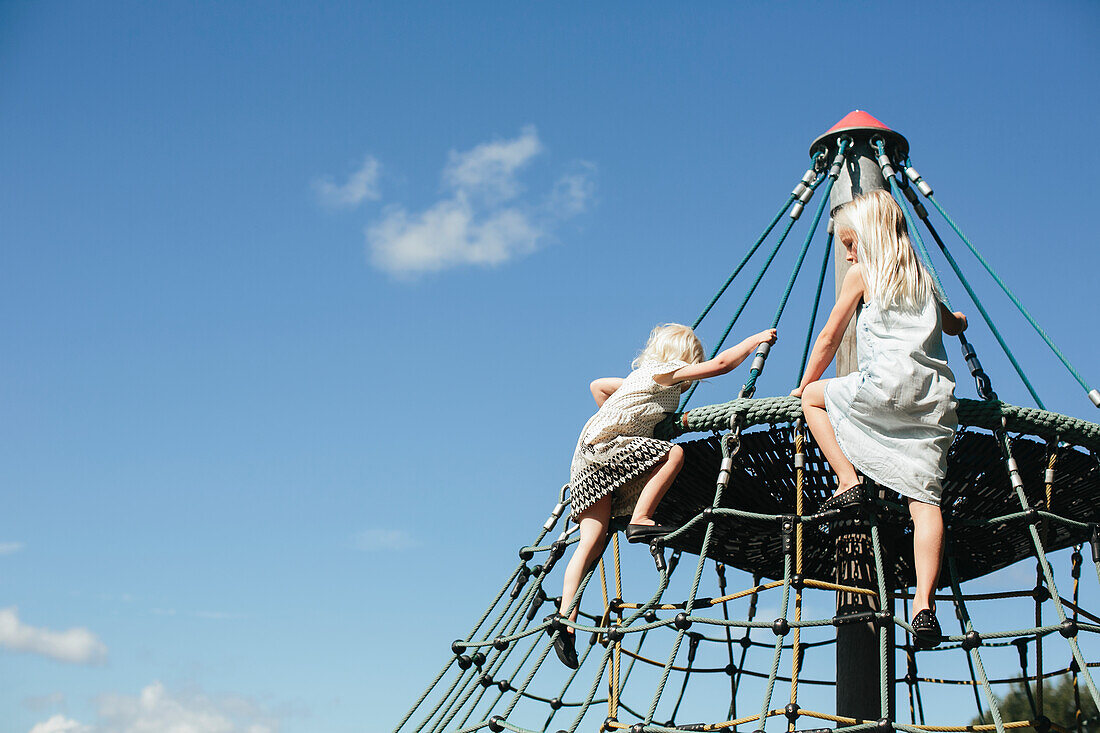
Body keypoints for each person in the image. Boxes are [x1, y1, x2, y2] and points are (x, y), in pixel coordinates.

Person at [791, 189, 967, 649]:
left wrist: (804, 382)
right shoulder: (922, 277)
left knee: (813, 399)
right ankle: (924, 606)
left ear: (868, 238)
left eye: (851, 243)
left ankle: (848, 481)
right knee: (926, 504)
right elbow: (951, 324)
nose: (848, 253)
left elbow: (830, 337)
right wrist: (960, 323)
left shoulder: (861, 274)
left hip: (883, 388)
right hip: (932, 402)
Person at [551, 323, 778, 667]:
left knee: (591, 541)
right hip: (607, 448)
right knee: (673, 454)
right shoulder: (665, 372)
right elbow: (720, 366)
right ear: (683, 358)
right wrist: (754, 340)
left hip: (585, 454)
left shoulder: (637, 377)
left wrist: (625, 418)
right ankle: (640, 519)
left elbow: (598, 387)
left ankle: (564, 619)